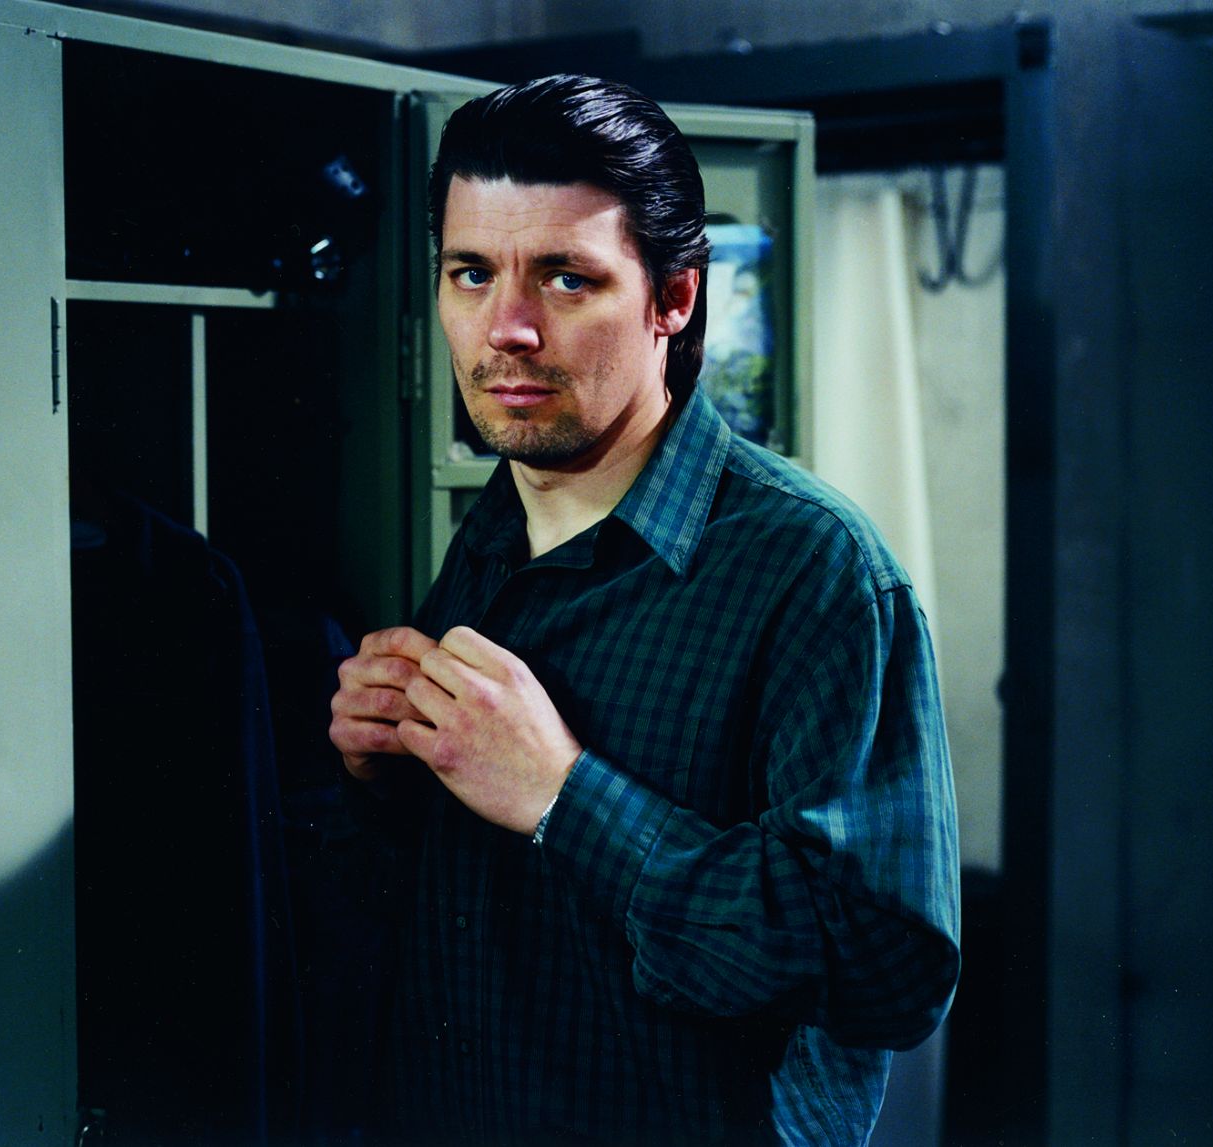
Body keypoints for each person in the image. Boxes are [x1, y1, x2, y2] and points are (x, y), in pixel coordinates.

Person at [329, 73, 960, 1146]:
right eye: (471, 273)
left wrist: (564, 795)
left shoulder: (814, 568)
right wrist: (386, 778)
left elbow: (886, 970)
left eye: (566, 279)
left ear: (674, 298)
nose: (507, 328)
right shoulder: (488, 537)